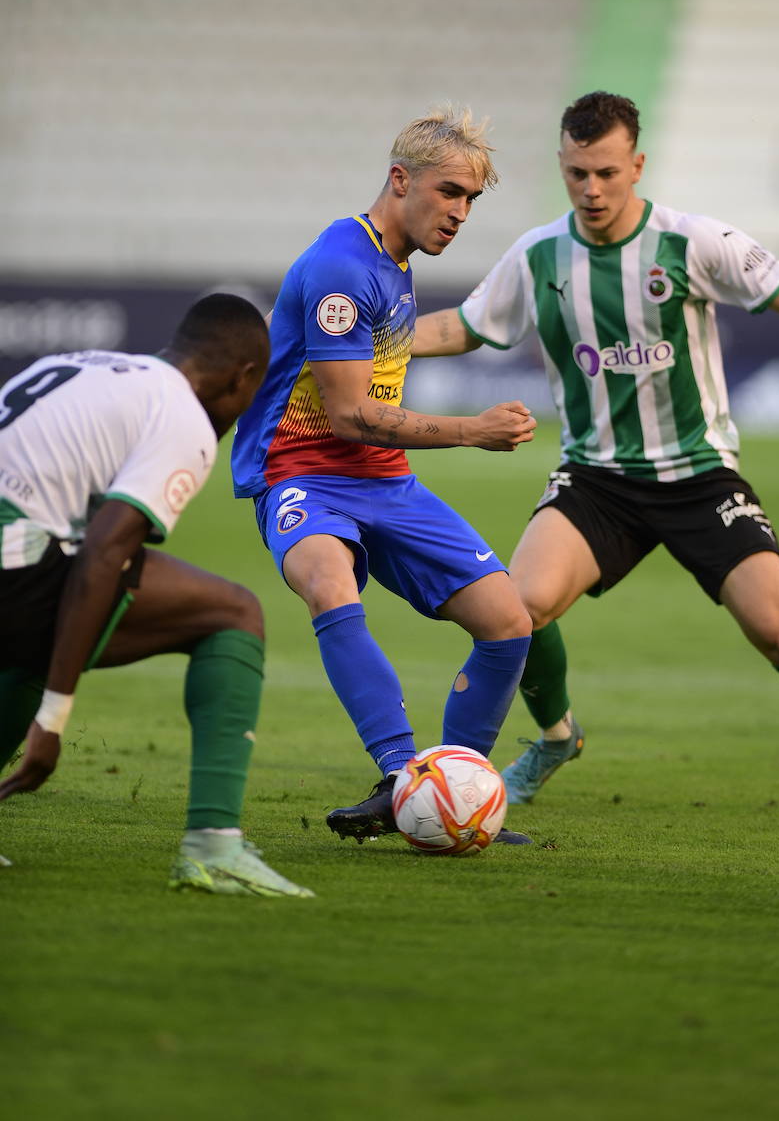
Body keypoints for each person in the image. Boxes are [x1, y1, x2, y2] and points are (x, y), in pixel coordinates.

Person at [412, 90, 779, 821]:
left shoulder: (692, 243)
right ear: (562, 164)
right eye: (579, 172)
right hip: (596, 480)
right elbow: (460, 329)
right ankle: (555, 738)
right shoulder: (540, 256)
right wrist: (363, 339)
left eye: (608, 173)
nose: (592, 189)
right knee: (515, 608)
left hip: (700, 478)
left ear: (637, 165)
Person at [231, 106, 536, 846]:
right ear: (401, 180)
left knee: (508, 626)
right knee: (328, 581)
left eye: (471, 199)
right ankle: (406, 780)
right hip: (301, 473)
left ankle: (453, 796)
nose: (460, 212)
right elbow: (349, 416)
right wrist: (472, 431)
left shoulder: (394, 264)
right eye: (450, 192)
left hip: (386, 481)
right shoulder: (343, 264)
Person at [0, 293, 315, 896]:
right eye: (253, 393)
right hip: (11, 567)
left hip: (18, 546)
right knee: (234, 612)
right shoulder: (182, 415)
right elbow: (105, 553)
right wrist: (54, 718)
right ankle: (213, 848)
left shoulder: (85, 365)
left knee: (57, 623)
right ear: (244, 377)